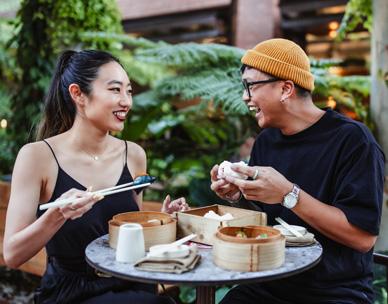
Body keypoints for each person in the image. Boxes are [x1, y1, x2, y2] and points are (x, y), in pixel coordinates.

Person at [3, 49, 188, 304]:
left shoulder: (134, 154)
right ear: (78, 94)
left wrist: (159, 222)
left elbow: (128, 238)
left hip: (131, 282)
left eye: (129, 91)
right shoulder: (37, 157)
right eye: (115, 90)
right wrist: (57, 215)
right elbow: (12, 254)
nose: (126, 101)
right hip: (73, 292)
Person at [210, 38, 385, 303]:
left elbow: (362, 238)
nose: (245, 96)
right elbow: (266, 220)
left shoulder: (353, 140)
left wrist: (288, 194)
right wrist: (238, 194)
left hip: (335, 292)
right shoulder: (266, 141)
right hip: (269, 283)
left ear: (286, 88)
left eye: (250, 86)